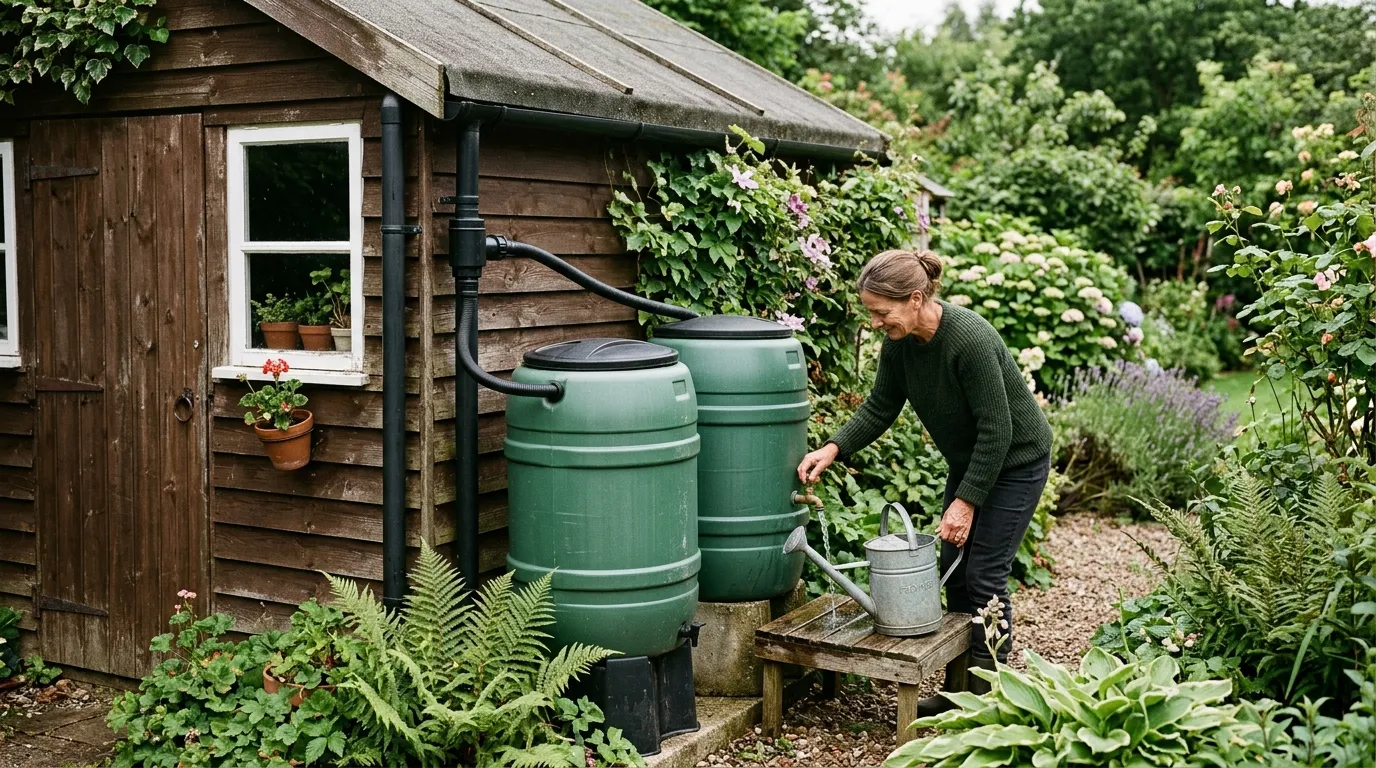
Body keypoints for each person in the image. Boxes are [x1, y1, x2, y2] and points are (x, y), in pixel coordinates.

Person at [796, 249, 1052, 714]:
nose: (875, 322)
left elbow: (998, 429)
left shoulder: (970, 339)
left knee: (984, 574)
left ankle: (990, 698)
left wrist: (965, 502)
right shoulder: (900, 344)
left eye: (881, 312)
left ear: (916, 298)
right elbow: (881, 405)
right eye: (871, 312)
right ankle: (959, 691)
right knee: (954, 568)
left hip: (1017, 462)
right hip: (972, 461)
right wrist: (833, 448)